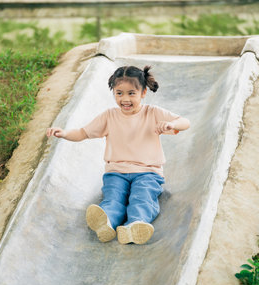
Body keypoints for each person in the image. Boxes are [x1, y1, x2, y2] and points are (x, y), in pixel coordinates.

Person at [46, 65, 190, 245]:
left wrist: (172, 125)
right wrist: (64, 133)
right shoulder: (109, 116)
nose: (125, 99)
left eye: (131, 93)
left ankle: (135, 225)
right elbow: (83, 133)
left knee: (142, 197)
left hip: (148, 173)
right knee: (113, 196)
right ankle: (107, 222)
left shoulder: (153, 113)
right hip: (116, 172)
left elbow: (185, 122)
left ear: (143, 92)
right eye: (119, 93)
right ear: (113, 92)